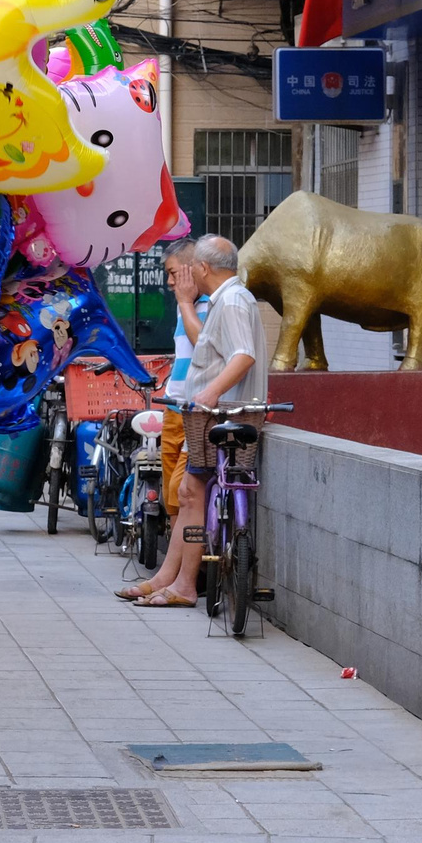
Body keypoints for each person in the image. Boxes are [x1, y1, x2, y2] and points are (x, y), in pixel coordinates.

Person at [124, 234, 266, 608]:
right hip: (206, 414)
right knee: (188, 493)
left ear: (202, 268)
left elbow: (243, 355)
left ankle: (185, 584)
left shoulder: (232, 300)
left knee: (190, 492)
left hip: (218, 414)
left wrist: (209, 392)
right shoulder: (228, 299)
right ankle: (170, 578)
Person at [117, 239, 200, 602]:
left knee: (185, 494)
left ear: (193, 269)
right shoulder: (185, 311)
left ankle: (177, 580)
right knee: (174, 497)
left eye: (172, 273)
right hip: (175, 409)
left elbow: (210, 349)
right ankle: (168, 576)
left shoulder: (210, 306)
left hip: (197, 413)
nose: (168, 282)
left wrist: (185, 302)